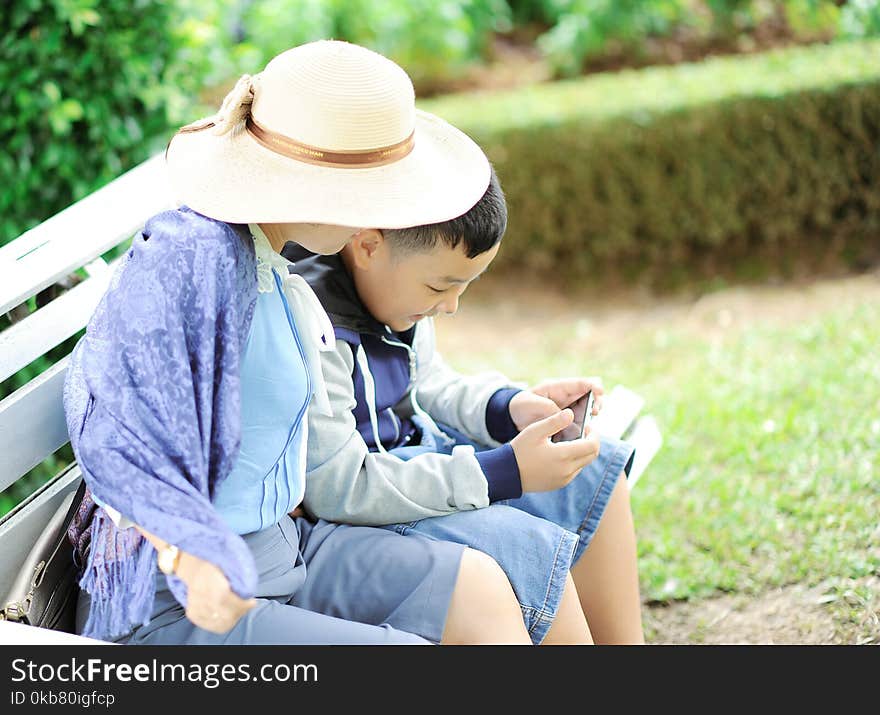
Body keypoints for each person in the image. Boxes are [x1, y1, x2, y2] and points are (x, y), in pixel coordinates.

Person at [63, 40, 539, 645]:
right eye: (387, 194)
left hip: (281, 557)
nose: (392, 217)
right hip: (179, 605)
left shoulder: (269, 257)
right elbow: (113, 418)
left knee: (477, 588)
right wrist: (188, 553)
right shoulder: (193, 254)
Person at [285, 166, 645, 645]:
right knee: (524, 547)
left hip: (422, 463)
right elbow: (339, 488)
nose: (451, 306)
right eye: (440, 288)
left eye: (464, 287)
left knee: (598, 471)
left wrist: (511, 407)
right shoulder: (315, 321)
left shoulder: (392, 288)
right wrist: (502, 472)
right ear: (368, 245)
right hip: (368, 501)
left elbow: (429, 380)